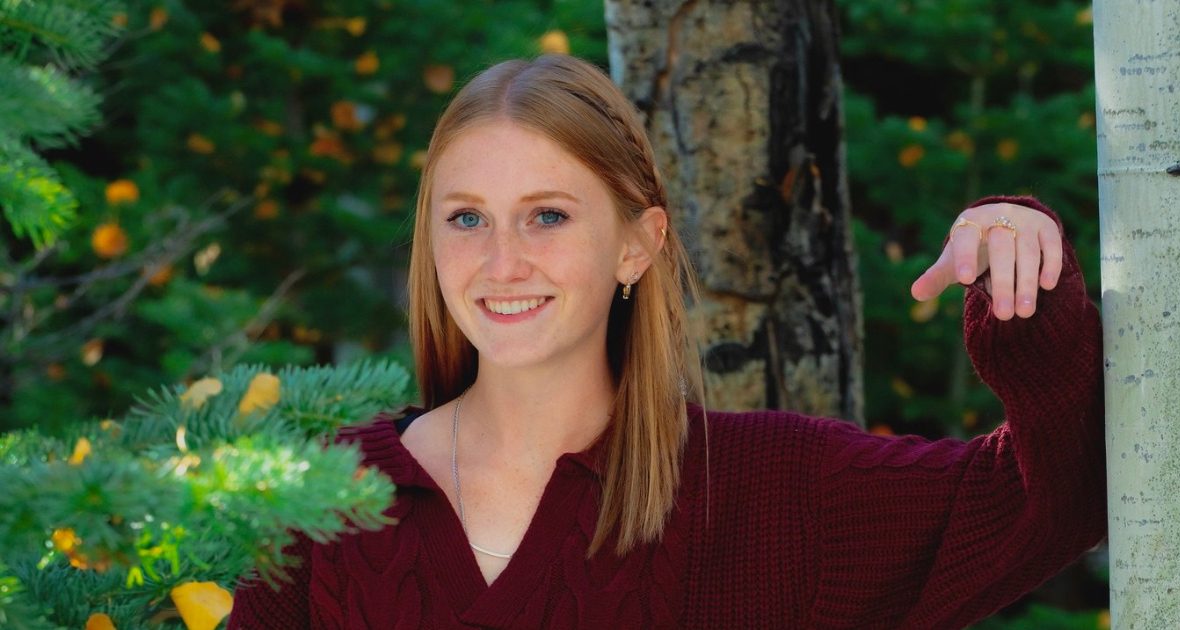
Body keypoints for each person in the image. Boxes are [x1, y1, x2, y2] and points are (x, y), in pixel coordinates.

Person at [227, 54, 1104, 629]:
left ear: (637, 245)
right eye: (466, 218)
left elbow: (1060, 492)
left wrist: (1023, 284)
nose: (501, 262)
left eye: (548, 215)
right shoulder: (327, 506)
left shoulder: (772, 495)